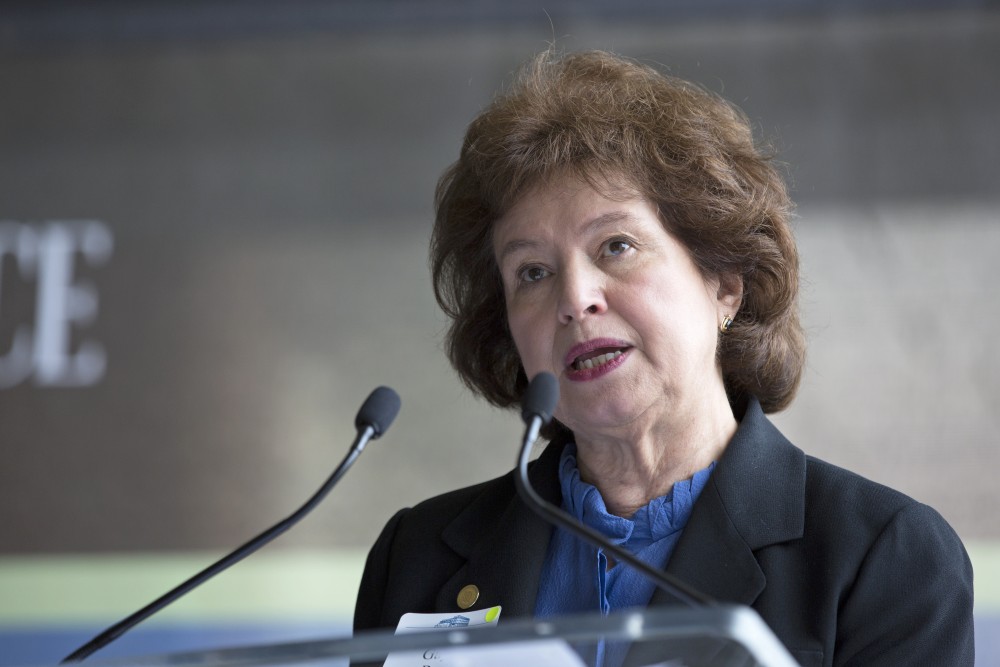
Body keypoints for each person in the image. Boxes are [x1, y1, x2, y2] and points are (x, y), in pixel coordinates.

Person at [353, 50, 974, 666]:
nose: (574, 299)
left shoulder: (881, 555)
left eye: (616, 246)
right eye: (532, 272)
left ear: (724, 282)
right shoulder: (417, 556)